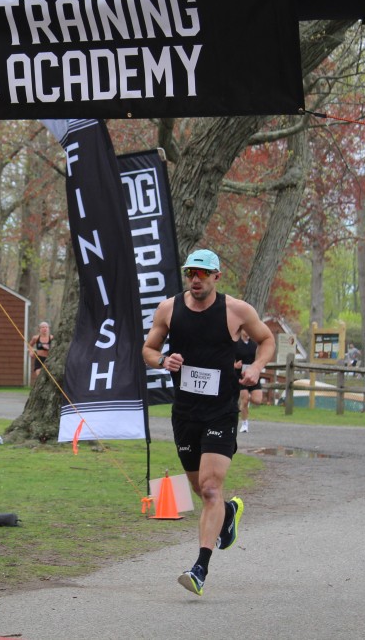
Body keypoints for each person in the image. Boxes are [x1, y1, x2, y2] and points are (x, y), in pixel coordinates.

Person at [142, 249, 275, 597]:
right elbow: (148, 349)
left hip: (221, 411)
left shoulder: (237, 310)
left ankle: (199, 568)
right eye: (190, 273)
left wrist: (256, 367)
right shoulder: (168, 309)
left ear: (216, 276)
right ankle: (228, 512)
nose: (195, 279)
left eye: (202, 274)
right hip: (185, 413)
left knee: (211, 487)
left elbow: (267, 340)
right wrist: (162, 360)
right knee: (200, 489)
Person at [234, 328, 263, 433]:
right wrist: (235, 365)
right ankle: (244, 423)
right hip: (240, 376)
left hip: (252, 375)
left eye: (248, 330)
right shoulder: (236, 343)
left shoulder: (254, 344)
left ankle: (245, 400)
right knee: (245, 400)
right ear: (241, 331)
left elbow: (259, 358)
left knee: (257, 400)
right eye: (245, 330)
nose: (247, 332)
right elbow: (229, 358)